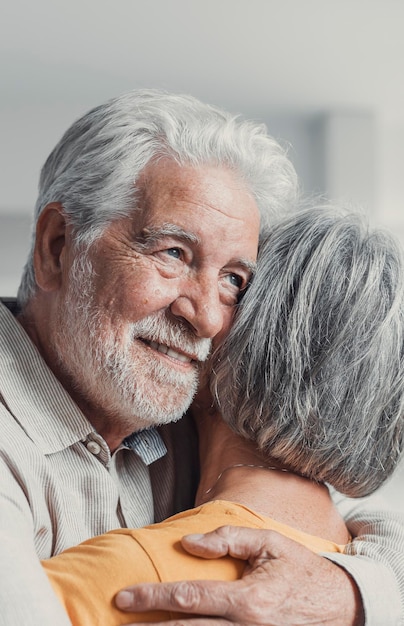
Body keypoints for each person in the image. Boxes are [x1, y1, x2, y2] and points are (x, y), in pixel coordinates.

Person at [0, 89, 403, 625]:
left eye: (234, 279)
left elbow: (349, 518)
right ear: (57, 247)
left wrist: (348, 593)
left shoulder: (190, 415)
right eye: (174, 253)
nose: (208, 319)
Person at [41, 207, 404, 626]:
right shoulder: (352, 558)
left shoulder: (129, 579)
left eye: (232, 283)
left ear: (252, 342)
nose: (203, 313)